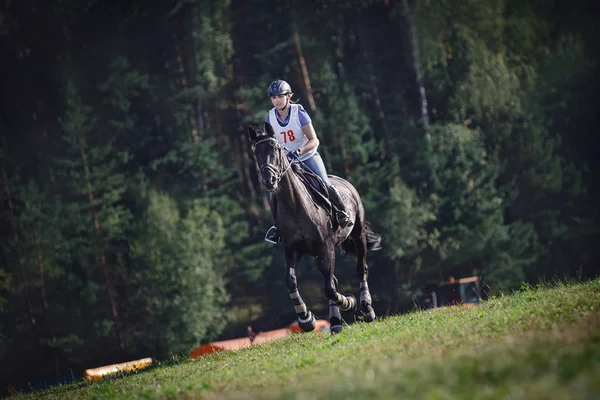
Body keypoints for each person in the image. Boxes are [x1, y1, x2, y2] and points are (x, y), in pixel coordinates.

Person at [263, 79, 353, 244]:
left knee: (324, 184)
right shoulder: (270, 118)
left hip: (307, 156)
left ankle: (342, 213)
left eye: (280, 96)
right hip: (286, 163)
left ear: (288, 96)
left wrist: (299, 150)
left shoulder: (299, 113)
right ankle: (278, 228)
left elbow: (314, 140)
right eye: (273, 97)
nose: (276, 100)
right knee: (272, 195)